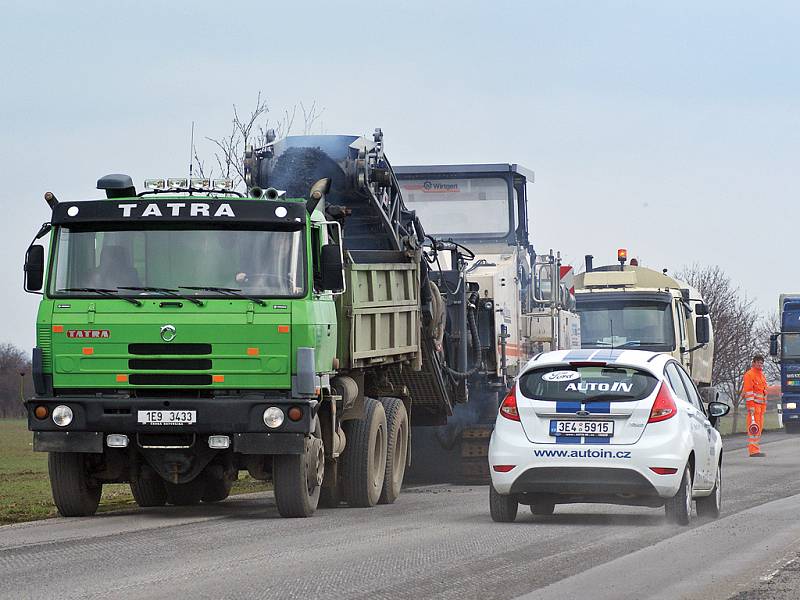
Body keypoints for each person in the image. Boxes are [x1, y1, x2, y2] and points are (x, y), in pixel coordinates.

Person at [742, 354, 768, 457]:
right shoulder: (749, 375)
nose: (760, 365)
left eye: (761, 363)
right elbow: (748, 392)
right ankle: (753, 451)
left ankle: (756, 449)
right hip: (754, 407)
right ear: (753, 363)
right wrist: (751, 407)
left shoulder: (761, 375)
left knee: (759, 429)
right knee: (754, 429)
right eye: (758, 362)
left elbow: (763, 391)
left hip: (761, 407)